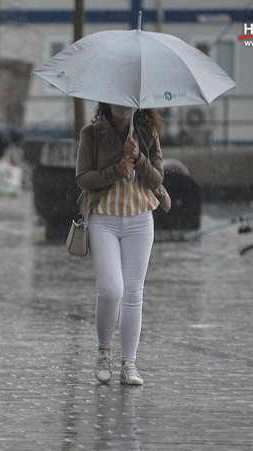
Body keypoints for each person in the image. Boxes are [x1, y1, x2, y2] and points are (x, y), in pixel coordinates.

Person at [74, 102, 171, 386]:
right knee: (110, 289)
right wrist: (118, 168)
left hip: (140, 219)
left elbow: (158, 178)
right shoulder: (91, 134)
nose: (123, 108)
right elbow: (83, 179)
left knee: (133, 293)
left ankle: (129, 362)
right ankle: (104, 351)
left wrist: (139, 158)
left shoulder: (147, 132)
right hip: (104, 218)